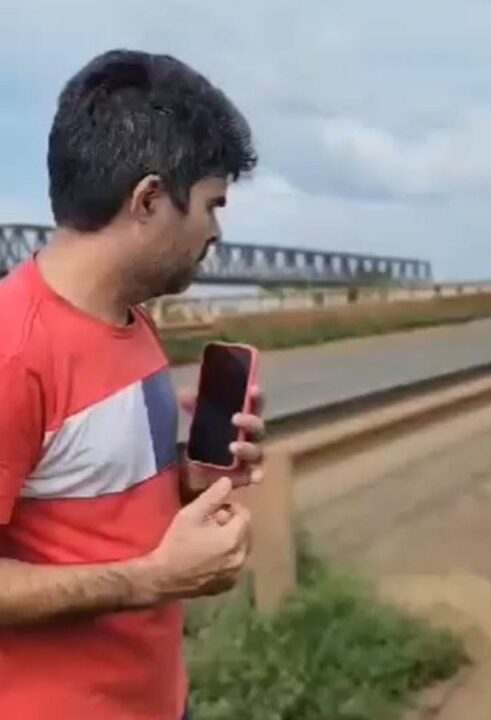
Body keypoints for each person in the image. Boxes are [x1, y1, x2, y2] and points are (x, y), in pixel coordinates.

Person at [0, 49, 264, 720]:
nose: (217, 232)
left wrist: (192, 480)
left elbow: (94, 506)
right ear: (148, 199)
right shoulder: (12, 351)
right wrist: (157, 580)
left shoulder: (132, 320)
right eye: (211, 204)